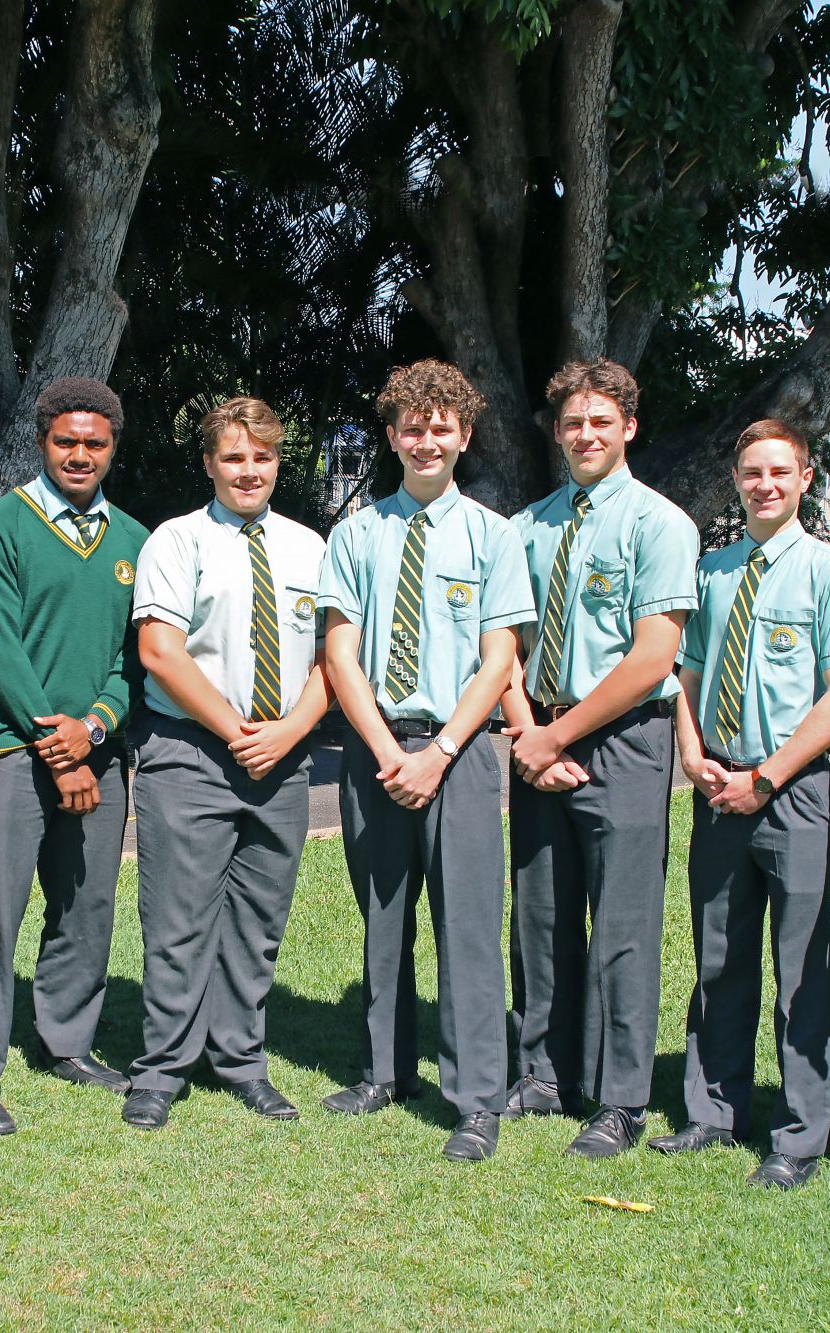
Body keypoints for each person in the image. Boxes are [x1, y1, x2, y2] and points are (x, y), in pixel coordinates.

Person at [317, 360, 534, 1163]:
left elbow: (500, 657)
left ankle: (476, 1097)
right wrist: (384, 750)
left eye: (442, 426)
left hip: (463, 749)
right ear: (391, 436)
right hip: (376, 747)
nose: (427, 439)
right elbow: (341, 653)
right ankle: (384, 1071)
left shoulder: (493, 535)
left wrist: (438, 753)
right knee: (383, 915)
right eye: (413, 426)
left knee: (468, 926)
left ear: (464, 435)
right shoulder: (357, 533)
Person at [655, 419, 830, 1186]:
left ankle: (799, 1135)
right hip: (718, 784)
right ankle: (713, 1109)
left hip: (792, 791)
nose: (766, 485)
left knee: (801, 961)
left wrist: (768, 776)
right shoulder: (712, 572)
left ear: (807, 478)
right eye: (753, 472)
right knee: (718, 955)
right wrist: (692, 754)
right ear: (739, 479)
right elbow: (683, 672)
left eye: (780, 472)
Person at [0, 376, 150, 1136]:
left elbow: (139, 655)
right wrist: (55, 745)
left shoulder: (133, 539)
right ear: (42, 442)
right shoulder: (0, 527)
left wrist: (92, 728)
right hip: (9, 752)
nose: (80, 454)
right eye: (67, 441)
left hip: (96, 753)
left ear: (113, 446)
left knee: (86, 904)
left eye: (95, 442)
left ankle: (67, 1042)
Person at [498, 358, 698, 1159]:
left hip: (623, 742)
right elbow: (502, 647)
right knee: (540, 915)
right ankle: (545, 1074)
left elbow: (654, 656)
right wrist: (529, 735)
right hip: (538, 739)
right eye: (573, 422)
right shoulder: (526, 527)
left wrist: (563, 731)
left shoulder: (661, 525)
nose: (585, 435)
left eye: (600, 422)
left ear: (629, 428)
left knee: (622, 925)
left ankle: (620, 1098)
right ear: (557, 432)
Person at [120, 397, 331, 1130]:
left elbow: (336, 657)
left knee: (257, 920)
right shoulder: (175, 542)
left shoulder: (311, 548)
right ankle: (162, 1068)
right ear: (209, 463)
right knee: (178, 920)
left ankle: (240, 1058)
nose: (249, 470)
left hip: (282, 756)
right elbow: (159, 651)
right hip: (193, 751)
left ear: (279, 463)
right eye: (234, 457)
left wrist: (288, 731)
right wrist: (238, 729)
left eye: (262, 456)